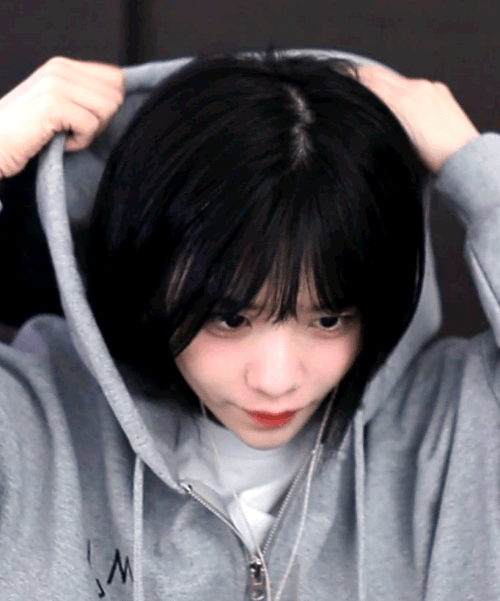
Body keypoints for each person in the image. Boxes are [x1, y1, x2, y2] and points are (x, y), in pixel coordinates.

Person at [0, 47, 495, 601]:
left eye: (328, 319)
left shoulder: (455, 428)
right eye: (231, 319)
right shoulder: (30, 427)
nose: (276, 381)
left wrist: (478, 170)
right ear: (148, 276)